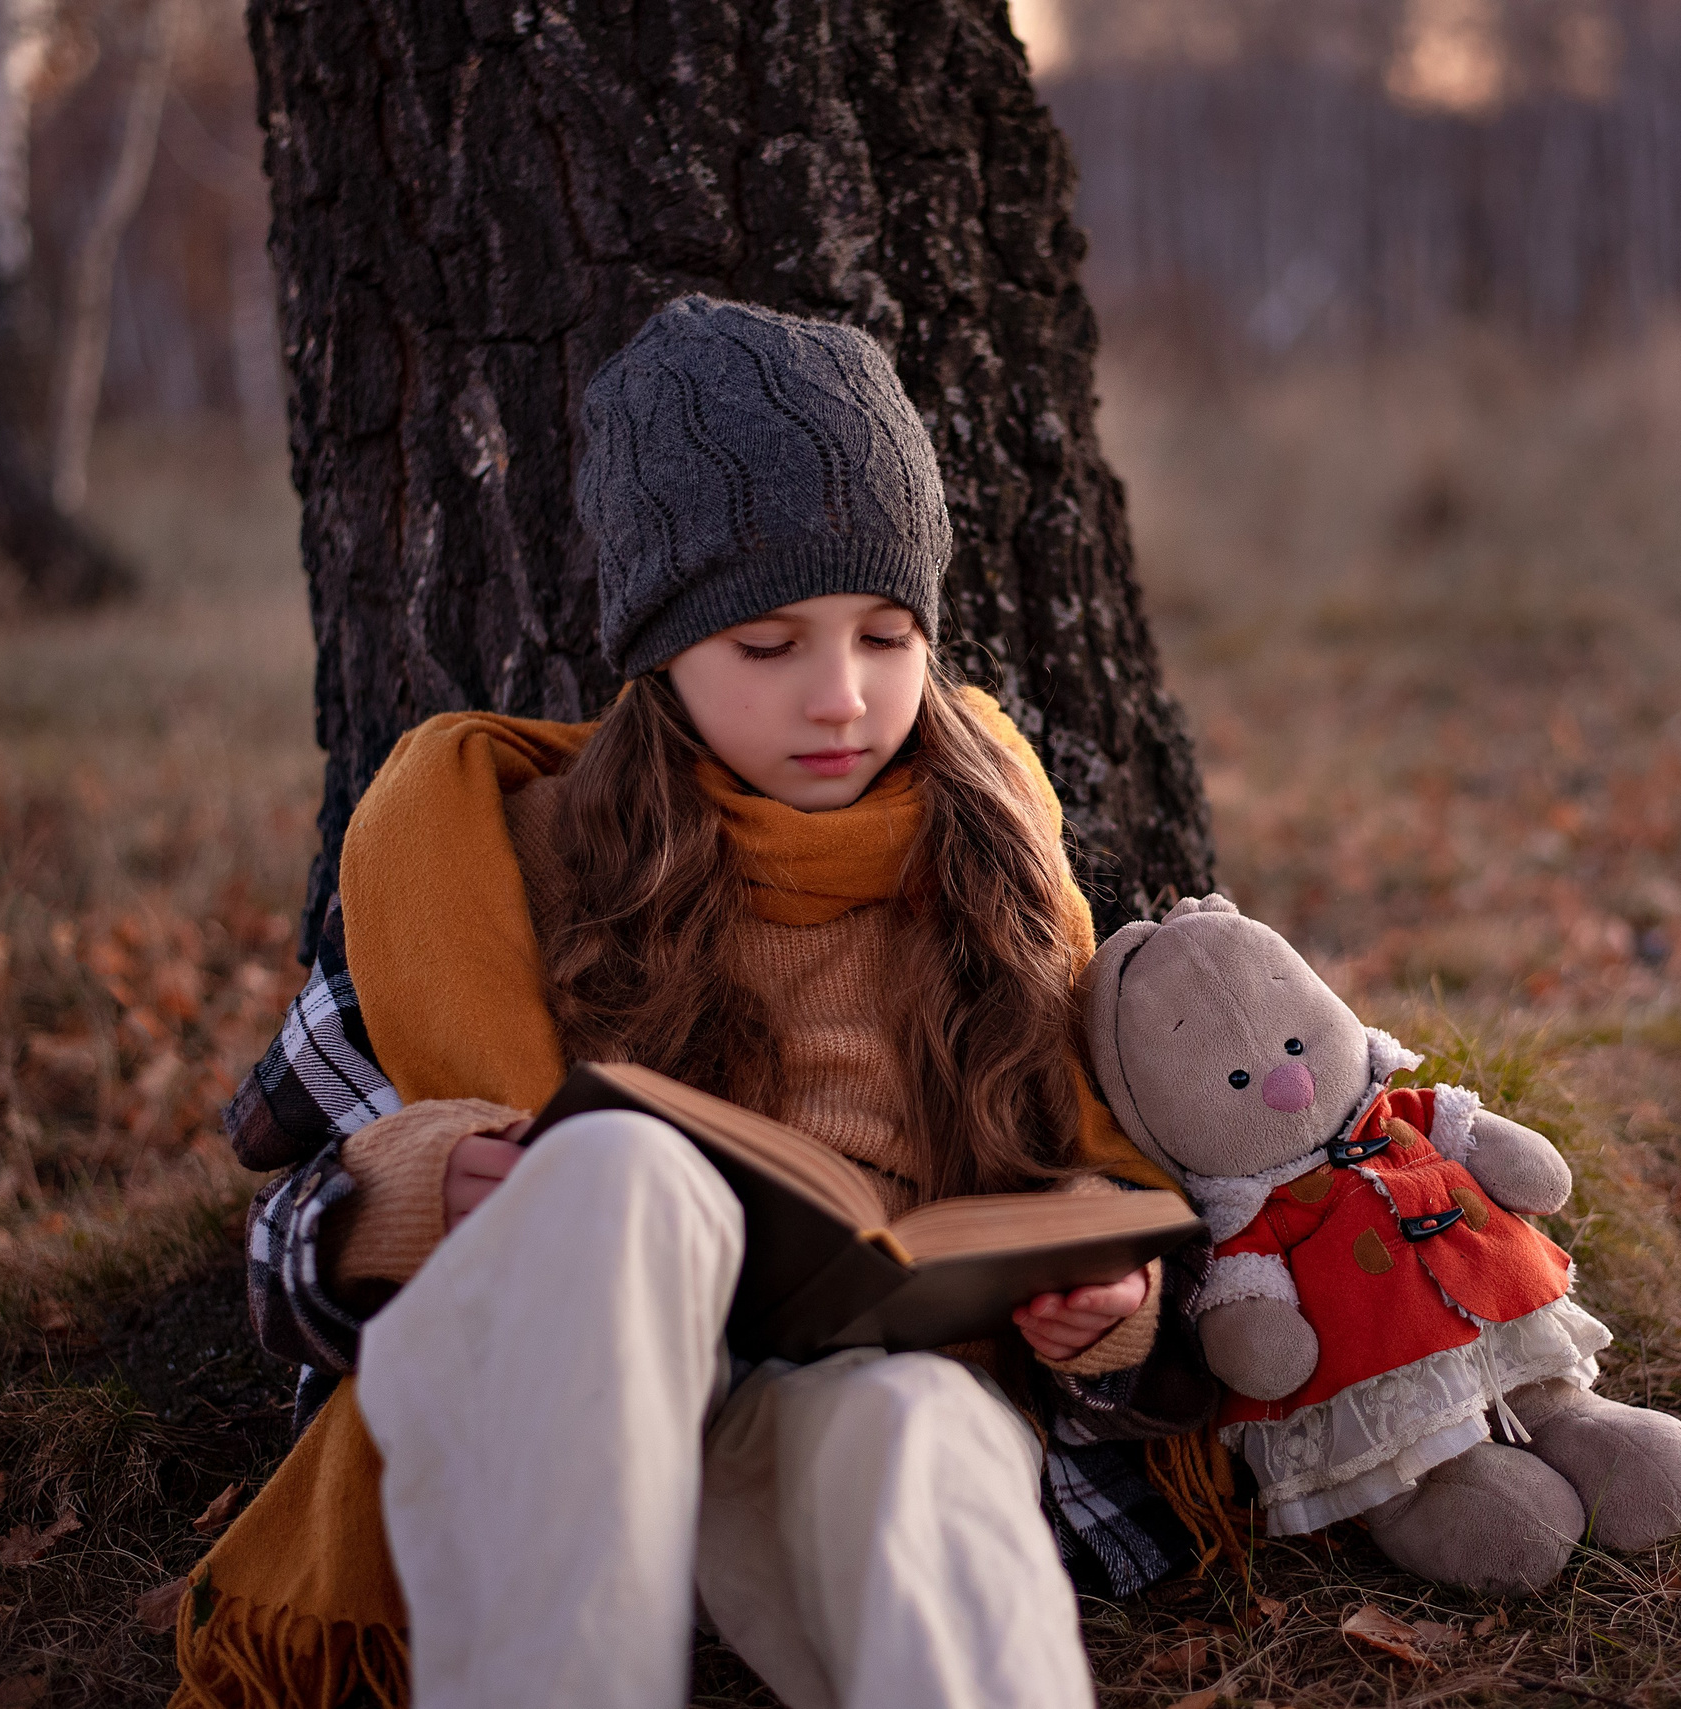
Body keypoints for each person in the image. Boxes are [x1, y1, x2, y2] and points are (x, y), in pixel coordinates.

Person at [173, 296, 1216, 1709]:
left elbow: (1101, 1189)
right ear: (661, 646)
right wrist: (415, 1189)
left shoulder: (993, 866)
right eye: (769, 645)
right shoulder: (508, 857)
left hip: (855, 1438)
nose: (842, 699)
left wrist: (1117, 1314)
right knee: (619, 1165)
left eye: (889, 635)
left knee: (914, 1419)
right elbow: (278, 1257)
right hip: (585, 1415)